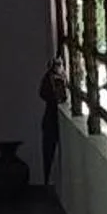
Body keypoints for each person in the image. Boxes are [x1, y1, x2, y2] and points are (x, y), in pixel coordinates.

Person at [38, 49, 69, 185]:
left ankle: (47, 182)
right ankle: (47, 182)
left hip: (50, 120)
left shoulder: (55, 78)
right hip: (51, 120)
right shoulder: (52, 79)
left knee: (50, 154)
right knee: (49, 154)